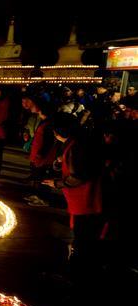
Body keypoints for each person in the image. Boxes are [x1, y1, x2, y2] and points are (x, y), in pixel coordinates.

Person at [42, 114, 103, 270]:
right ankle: (78, 263)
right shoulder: (75, 144)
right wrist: (59, 163)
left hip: (84, 199)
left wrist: (57, 183)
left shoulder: (75, 147)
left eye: (55, 131)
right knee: (82, 232)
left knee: (82, 234)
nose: (54, 134)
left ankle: (78, 268)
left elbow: (78, 176)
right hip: (82, 199)